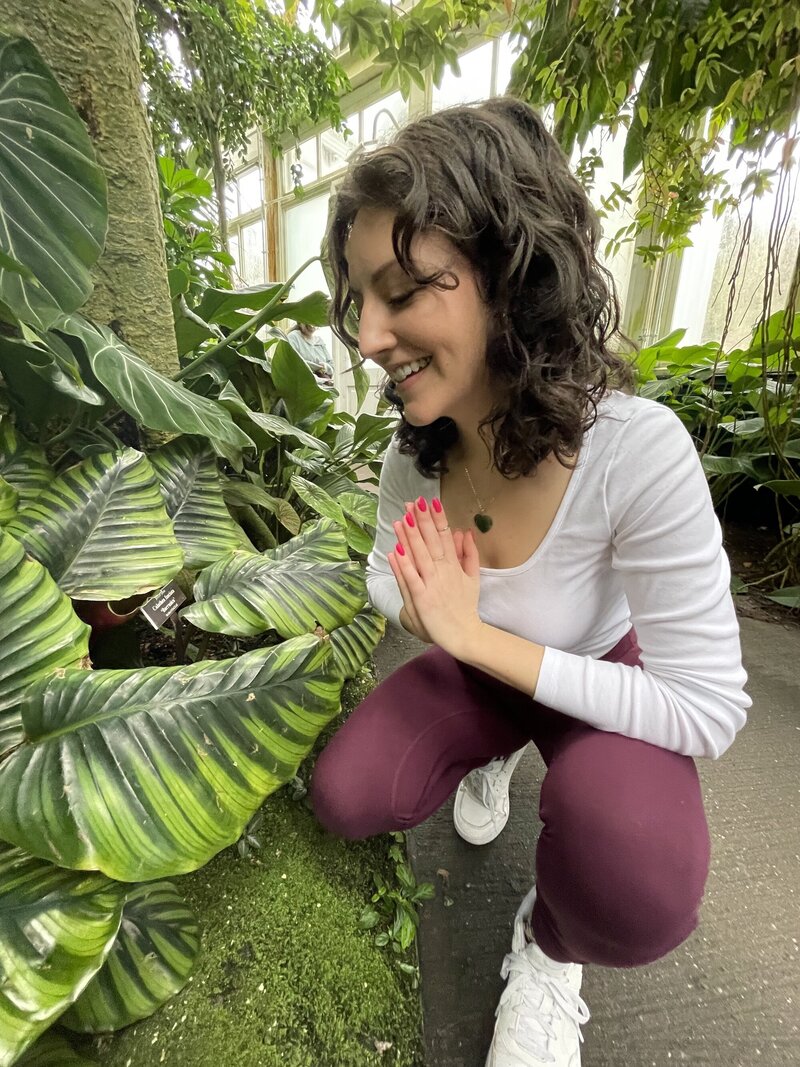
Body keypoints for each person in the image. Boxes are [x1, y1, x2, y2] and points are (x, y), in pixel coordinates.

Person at [310, 97, 751, 1067]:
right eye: (360, 299)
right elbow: (389, 567)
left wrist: (470, 634)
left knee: (637, 880)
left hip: (595, 670)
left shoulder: (635, 451)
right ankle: (493, 748)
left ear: (509, 276)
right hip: (478, 670)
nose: (370, 334)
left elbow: (708, 707)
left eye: (404, 289)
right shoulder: (412, 450)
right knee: (347, 792)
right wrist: (426, 607)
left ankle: (547, 948)